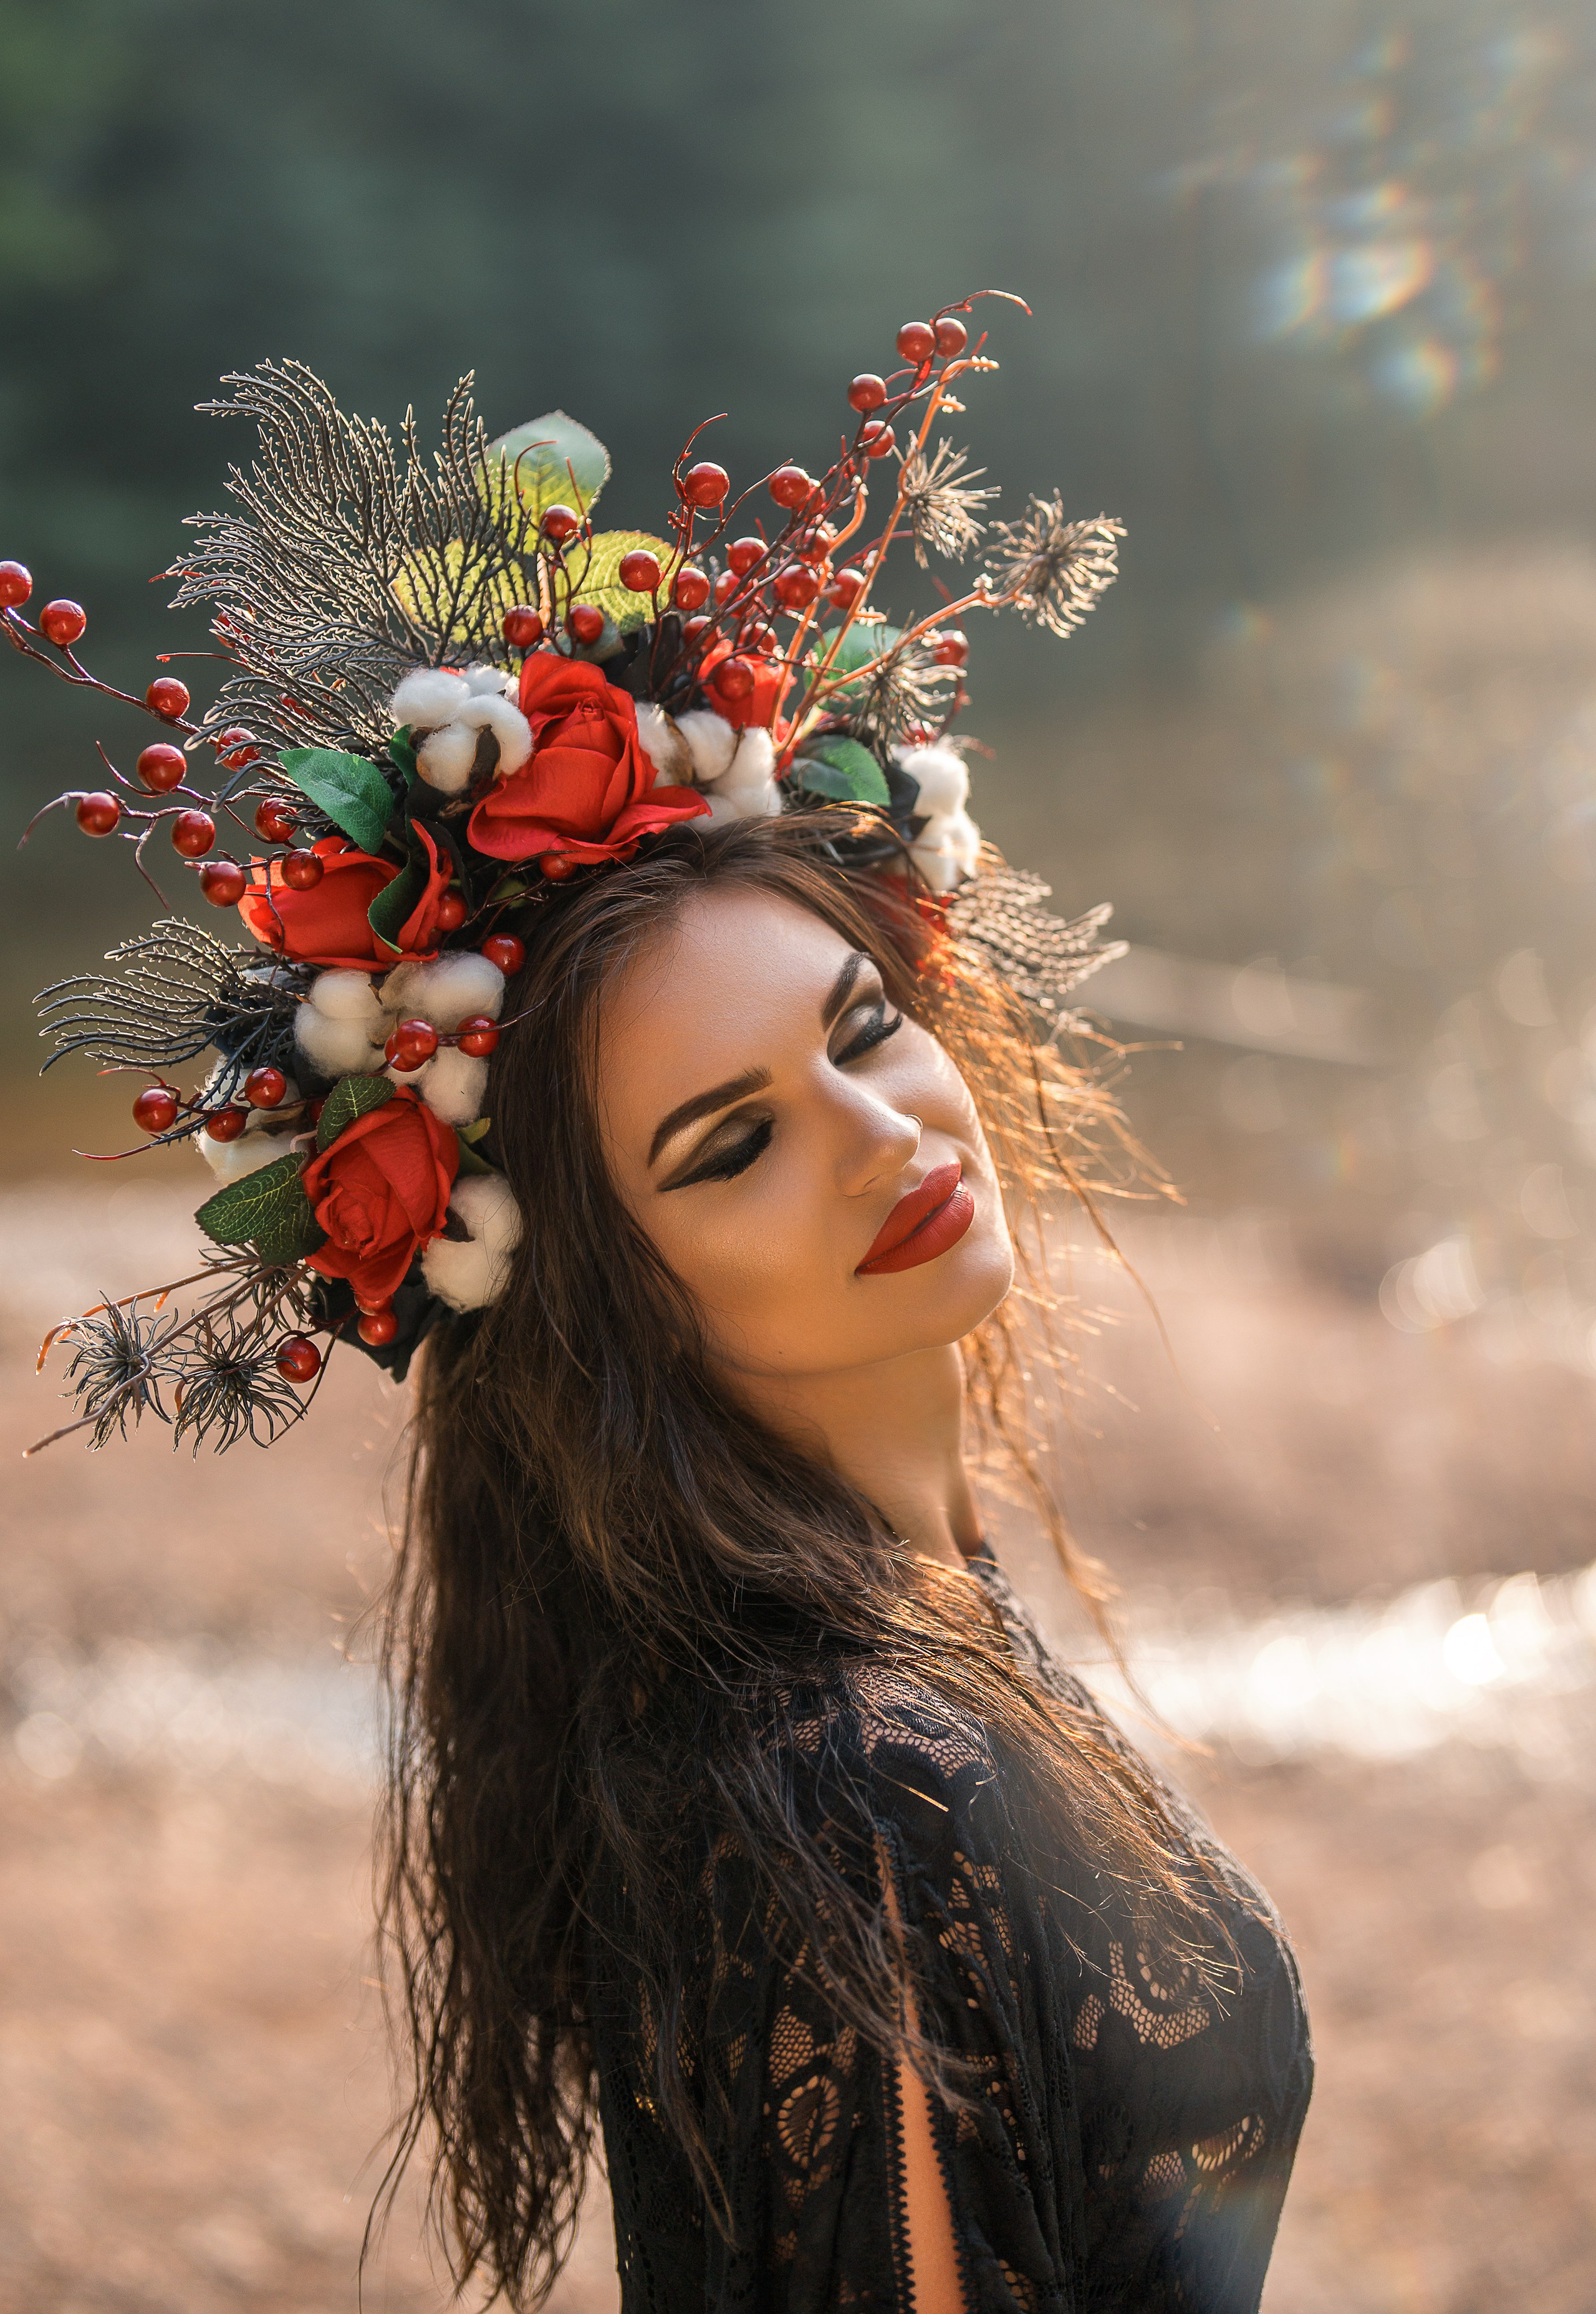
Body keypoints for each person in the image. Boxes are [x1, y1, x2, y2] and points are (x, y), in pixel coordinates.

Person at [6, 323, 1310, 2311]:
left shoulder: (862, 1612)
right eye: (728, 1147)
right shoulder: (850, 1773)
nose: (880, 1134)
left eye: (865, 1029)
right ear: (600, 1296)